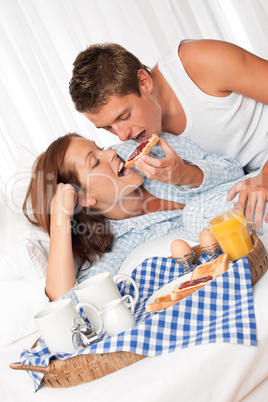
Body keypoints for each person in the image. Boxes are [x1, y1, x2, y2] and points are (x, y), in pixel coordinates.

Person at [24, 131, 267, 303]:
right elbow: (68, 304)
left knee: (194, 216)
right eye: (95, 162)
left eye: (100, 147)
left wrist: (188, 175)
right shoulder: (117, 247)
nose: (110, 153)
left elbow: (235, 168)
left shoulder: (150, 150)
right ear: (84, 198)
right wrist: (60, 219)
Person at [69, 39, 268, 230]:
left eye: (125, 115)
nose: (122, 136)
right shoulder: (145, 142)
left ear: (144, 83)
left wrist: (265, 176)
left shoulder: (199, 63)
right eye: (108, 128)